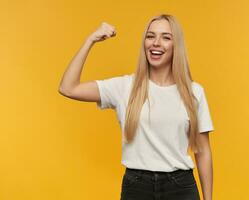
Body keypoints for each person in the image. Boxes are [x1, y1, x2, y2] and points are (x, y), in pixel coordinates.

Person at [59, 14, 214, 200]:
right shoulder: (124, 87)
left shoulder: (194, 92)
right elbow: (68, 88)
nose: (156, 42)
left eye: (166, 37)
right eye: (150, 36)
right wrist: (90, 40)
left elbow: (203, 151)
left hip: (181, 188)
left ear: (176, 46)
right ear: (144, 43)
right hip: (137, 188)